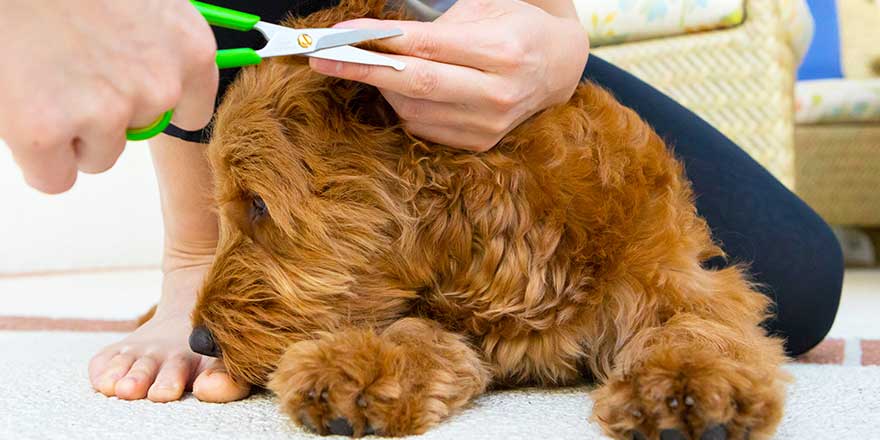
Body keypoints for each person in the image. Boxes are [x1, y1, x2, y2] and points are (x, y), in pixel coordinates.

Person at [0, 0, 843, 404]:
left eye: (252, 217)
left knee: (800, 281)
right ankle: (400, 324)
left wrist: (555, 37)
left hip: (438, 24)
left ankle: (430, 309)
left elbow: (544, 18)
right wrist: (196, 254)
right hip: (275, 24)